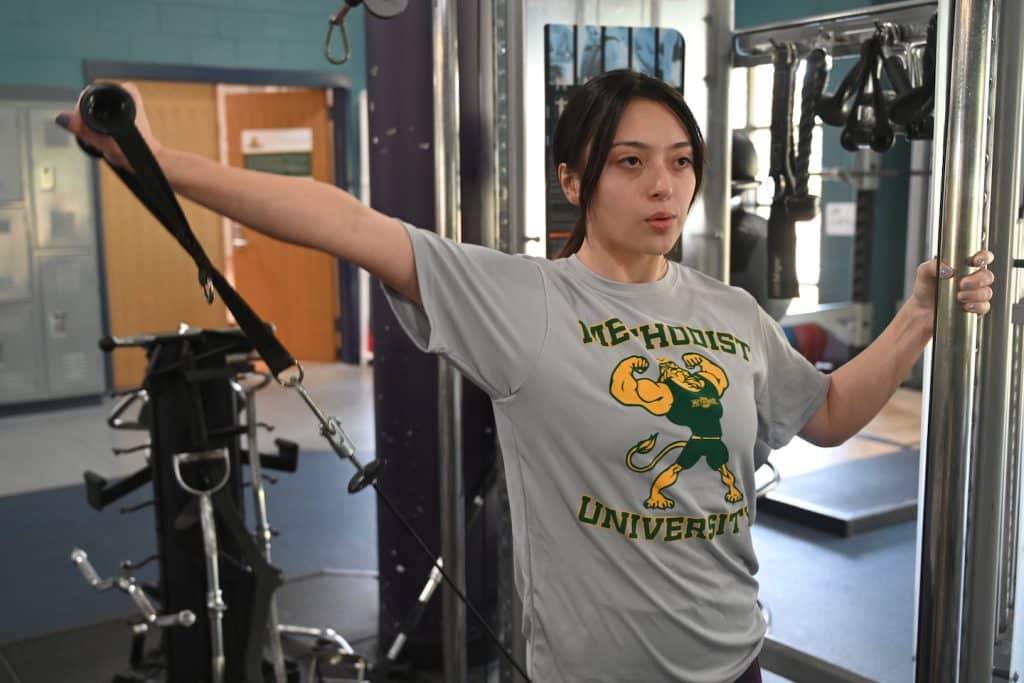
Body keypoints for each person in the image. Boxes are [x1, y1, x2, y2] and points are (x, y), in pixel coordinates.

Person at [58, 69, 994, 683]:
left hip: (732, 661)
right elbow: (339, 219)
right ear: (574, 181)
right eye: (631, 163)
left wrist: (918, 318)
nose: (664, 186)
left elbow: (826, 414)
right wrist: (151, 155)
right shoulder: (519, 299)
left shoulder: (731, 312)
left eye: (680, 163)